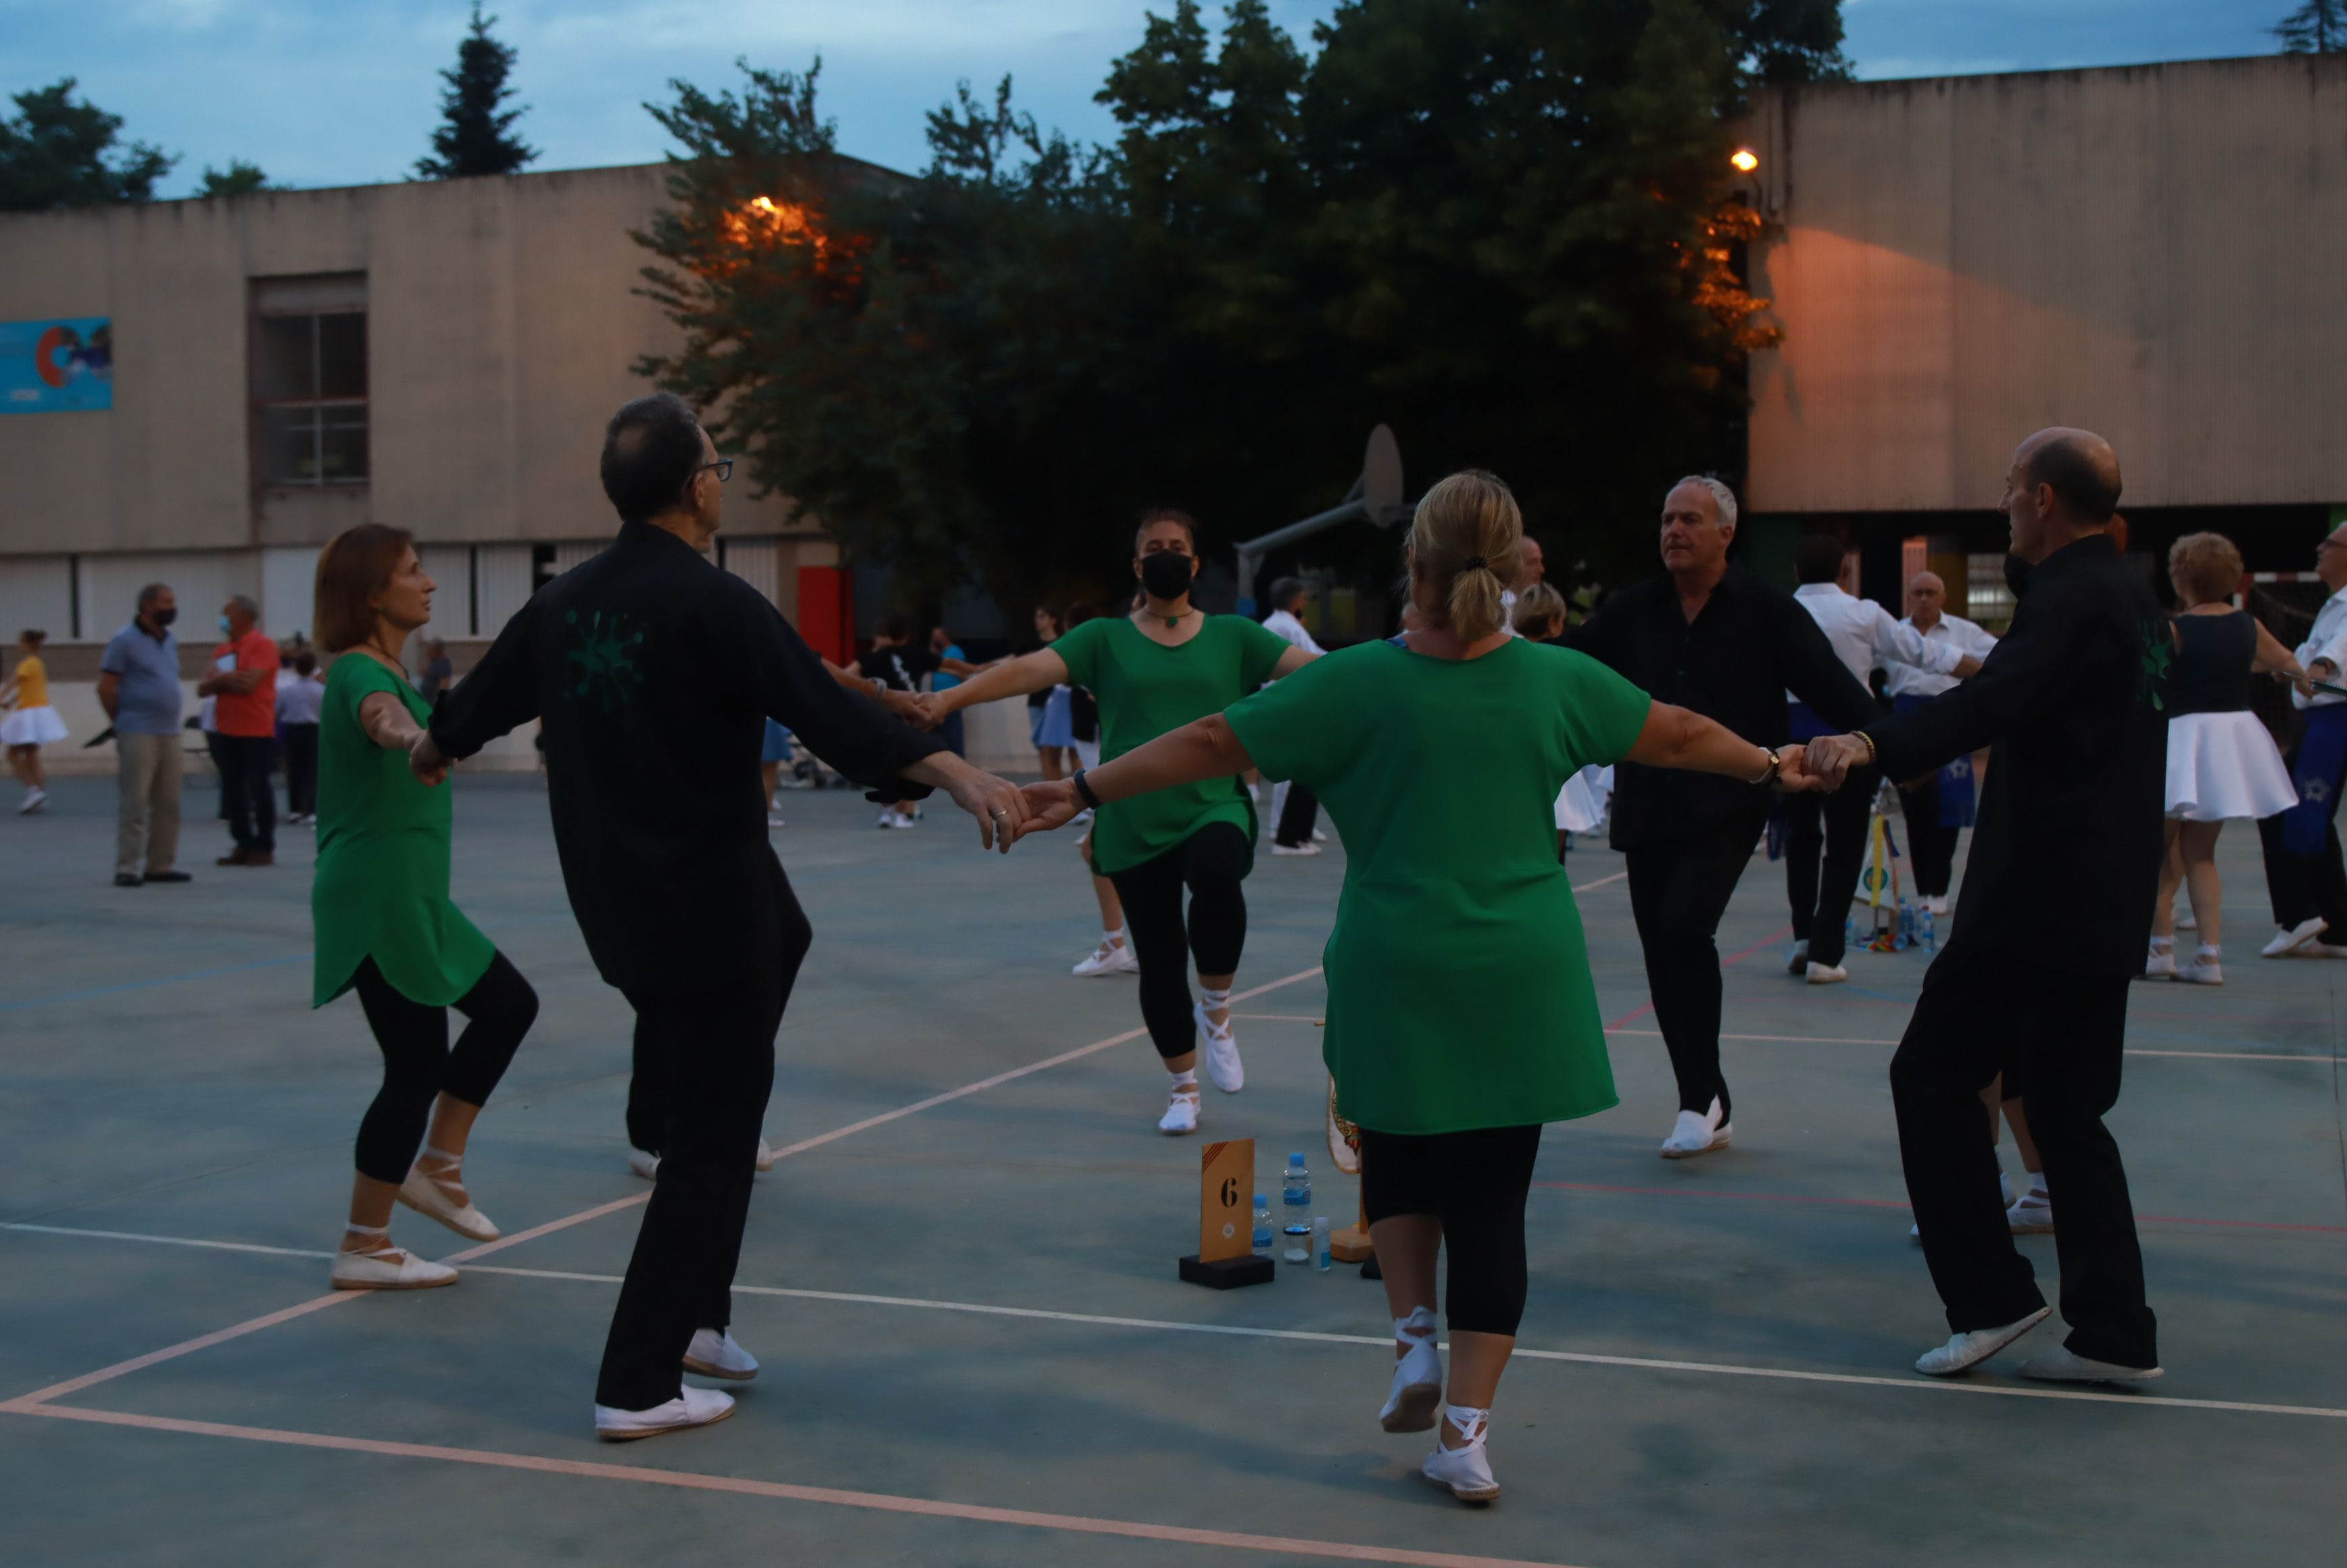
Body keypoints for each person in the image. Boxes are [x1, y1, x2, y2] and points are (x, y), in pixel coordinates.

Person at [1011, 470, 1814, 1502]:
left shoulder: (1354, 682)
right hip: (1521, 966)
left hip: (1395, 956)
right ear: (1516, 566)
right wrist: (1769, 767)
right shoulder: (1557, 680)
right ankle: (1469, 1437)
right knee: (1496, 1202)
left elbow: (1215, 741)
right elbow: (1683, 734)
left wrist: (1073, 789)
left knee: (1394, 1154)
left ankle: (1412, 1342)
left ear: (1413, 565)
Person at [416, 391, 1027, 1441]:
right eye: (719, 464)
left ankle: (701, 1322)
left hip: (624, 911)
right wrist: (958, 780)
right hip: (707, 909)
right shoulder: (714, 601)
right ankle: (640, 1380)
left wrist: (428, 749)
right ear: (699, 487)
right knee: (714, 1141)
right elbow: (825, 713)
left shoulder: (564, 605)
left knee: (768, 973)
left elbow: (464, 719)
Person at [1807, 427, 2167, 1385]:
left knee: (1930, 1076)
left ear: (2046, 498)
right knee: (2067, 1105)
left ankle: (1992, 1298)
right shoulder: (2134, 594)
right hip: (2106, 892)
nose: (2004, 502)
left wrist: (1871, 745)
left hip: (2038, 896)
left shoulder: (2071, 595)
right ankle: (2118, 1326)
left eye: (2012, 488)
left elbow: (1992, 701)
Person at [923, 509, 1315, 1133]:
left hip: (1210, 801)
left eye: (1177, 546)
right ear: (1138, 566)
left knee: (1217, 870)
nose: (1166, 554)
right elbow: (1026, 669)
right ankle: (1183, 1086)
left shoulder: (1236, 637)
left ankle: (1216, 1005)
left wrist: (1399, 669)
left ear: (1195, 562)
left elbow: (1315, 673)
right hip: (1130, 815)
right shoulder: (1104, 639)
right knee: (1159, 955)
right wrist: (949, 696)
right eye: (1153, 547)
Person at [1562, 477, 1877, 1156]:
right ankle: (1705, 1098)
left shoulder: (1766, 610)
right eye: (1667, 518)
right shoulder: (1633, 609)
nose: (1673, 530)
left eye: (1689, 520)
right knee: (1660, 948)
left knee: (1683, 926)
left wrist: (1895, 746)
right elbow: (1569, 665)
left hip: (1731, 799)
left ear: (1725, 533)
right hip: (1647, 801)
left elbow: (1832, 685)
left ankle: (1698, 1097)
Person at [312, 524, 542, 1291]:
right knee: (418, 1063)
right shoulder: (356, 674)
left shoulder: (385, 667)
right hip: (380, 894)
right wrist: (414, 737)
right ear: (371, 592)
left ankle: (428, 1176)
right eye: (413, 571)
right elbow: (382, 718)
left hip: (409, 894)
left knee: (499, 1012)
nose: (430, 582)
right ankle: (368, 1239)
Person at [1781, 536, 1981, 984]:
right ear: (1844, 571)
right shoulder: (1864, 612)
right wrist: (1987, 671)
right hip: (1849, 736)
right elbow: (1924, 652)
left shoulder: (1778, 610)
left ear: (1796, 571)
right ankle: (1824, 954)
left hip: (1789, 738)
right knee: (1844, 847)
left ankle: (1801, 936)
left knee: (1802, 839)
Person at [2139, 532, 2303, 985]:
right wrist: (2303, 679)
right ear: (2232, 576)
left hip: (2179, 742)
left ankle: (2160, 950)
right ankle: (2209, 956)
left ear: (2180, 579)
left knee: (2157, 854)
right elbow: (2288, 662)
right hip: (2227, 741)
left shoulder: (2168, 627)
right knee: (2200, 855)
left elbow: (2147, 694)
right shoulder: (2248, 626)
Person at [2256, 520, 2347, 959]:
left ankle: (2299, 914)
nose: (2320, 548)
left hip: (2335, 720)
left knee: (2290, 809)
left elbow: (2337, 650)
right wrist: (2295, 670)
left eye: (2330, 543)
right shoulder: (2333, 604)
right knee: (2309, 815)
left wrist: (2322, 666)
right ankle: (2337, 925)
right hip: (2319, 720)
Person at [1887, 571, 2000, 916]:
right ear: (1909, 597)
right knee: (1916, 809)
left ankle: (1940, 887)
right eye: (1918, 592)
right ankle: (1924, 889)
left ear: (1942, 596)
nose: (1924, 598)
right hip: (1907, 719)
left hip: (1950, 717)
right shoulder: (1895, 632)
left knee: (1949, 810)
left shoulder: (1964, 632)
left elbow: (2000, 655)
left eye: (1930, 592)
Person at [98, 585, 191, 888]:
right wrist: (121, 720)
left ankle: (160, 865)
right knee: (135, 800)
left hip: (170, 731)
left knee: (169, 802)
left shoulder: (171, 641)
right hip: (137, 730)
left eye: (173, 601)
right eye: (166, 602)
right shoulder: (125, 640)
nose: (172, 607)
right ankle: (127, 866)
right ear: (147, 606)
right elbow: (107, 686)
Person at [200, 595, 279, 868]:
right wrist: (224, 681)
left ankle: (264, 845)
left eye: (227, 613)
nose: (223, 618)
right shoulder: (222, 650)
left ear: (243, 616)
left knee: (259, 788)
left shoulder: (263, 645)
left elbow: (250, 684)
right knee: (232, 790)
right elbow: (203, 688)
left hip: (256, 729)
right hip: (226, 729)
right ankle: (242, 842)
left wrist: (219, 682)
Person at [1259, 577, 1330, 856]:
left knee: (1288, 771)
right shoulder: (1289, 627)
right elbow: (1315, 658)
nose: (1305, 602)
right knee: (1290, 772)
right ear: (1296, 599)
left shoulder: (1272, 624)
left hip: (1277, 700)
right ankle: (1284, 827)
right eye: (1303, 597)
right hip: (1289, 702)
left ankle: (1296, 826)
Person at [858, 614, 935, 829]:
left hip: (892, 718)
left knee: (896, 766)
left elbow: (851, 676)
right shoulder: (879, 658)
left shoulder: (885, 657)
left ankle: (895, 811)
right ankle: (894, 811)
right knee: (898, 765)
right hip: (893, 717)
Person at [1, 629, 66, 812]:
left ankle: (33, 791)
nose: (18, 646)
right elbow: (27, 687)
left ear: (28, 645)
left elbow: (11, 683)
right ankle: (40, 794)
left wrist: (2, 697)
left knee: (12, 755)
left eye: (21, 642)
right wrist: (10, 702)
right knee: (31, 756)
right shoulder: (38, 664)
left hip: (30, 714)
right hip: (39, 712)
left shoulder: (27, 664)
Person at [1023, 606, 1078, 779]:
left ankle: (1080, 792)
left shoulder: (1063, 643)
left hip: (1061, 701)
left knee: (1073, 747)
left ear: (1053, 620)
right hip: (1039, 700)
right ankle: (1052, 790)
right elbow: (1015, 663)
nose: (1037, 620)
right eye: (1036, 616)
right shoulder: (1031, 644)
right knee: (1045, 748)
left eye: (1042, 616)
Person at [278, 651, 326, 825]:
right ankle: (311, 809)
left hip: (293, 730)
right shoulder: (321, 690)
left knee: (294, 770)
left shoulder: (287, 690)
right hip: (314, 730)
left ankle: (295, 809)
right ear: (314, 668)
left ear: (296, 669)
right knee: (312, 770)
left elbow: (278, 711)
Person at [927, 625, 971, 758]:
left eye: (937, 636)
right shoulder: (940, 654)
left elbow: (963, 673)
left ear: (945, 637)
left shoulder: (955, 651)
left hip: (952, 699)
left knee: (953, 731)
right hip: (937, 699)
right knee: (941, 733)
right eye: (933, 636)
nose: (934, 639)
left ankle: (958, 758)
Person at [418, 637, 454, 704]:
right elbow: (423, 673)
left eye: (431, 649)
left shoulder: (444, 663)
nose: (429, 651)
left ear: (438, 650)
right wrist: (429, 660)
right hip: (425, 699)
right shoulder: (433, 661)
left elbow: (445, 682)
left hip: (433, 702)